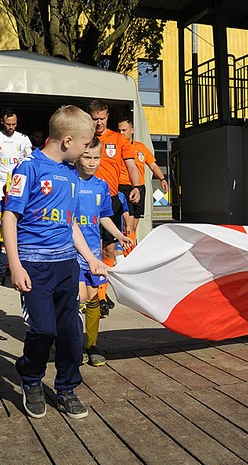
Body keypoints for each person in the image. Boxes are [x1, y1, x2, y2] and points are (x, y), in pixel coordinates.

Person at [2, 104, 105, 420]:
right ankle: (31, 378)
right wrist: (15, 265)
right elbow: (9, 217)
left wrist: (90, 259)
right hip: (34, 266)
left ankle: (67, 388)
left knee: (71, 330)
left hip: (67, 265)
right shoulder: (28, 168)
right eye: (85, 145)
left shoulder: (72, 173)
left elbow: (70, 222)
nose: (87, 151)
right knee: (43, 329)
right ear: (68, 141)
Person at [75, 136, 133, 367]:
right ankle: (72, 343)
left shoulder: (101, 186)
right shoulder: (68, 182)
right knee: (78, 298)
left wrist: (119, 235)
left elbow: (104, 216)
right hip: (73, 254)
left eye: (96, 157)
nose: (91, 162)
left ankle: (92, 345)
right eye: (87, 157)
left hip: (94, 254)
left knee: (94, 299)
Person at [88, 100, 141, 309]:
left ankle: (101, 294)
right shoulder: (84, 137)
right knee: (91, 249)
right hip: (86, 199)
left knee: (109, 250)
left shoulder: (118, 139)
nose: (99, 122)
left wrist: (136, 187)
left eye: (102, 118)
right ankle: (92, 294)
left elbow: (131, 165)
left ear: (107, 116)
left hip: (110, 201)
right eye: (95, 118)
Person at [0, 108, 33, 283]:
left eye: (14, 124)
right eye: (8, 124)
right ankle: (1, 268)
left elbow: (31, 161)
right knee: (1, 225)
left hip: (18, 184)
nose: (11, 127)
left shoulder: (23, 139)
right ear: (2, 122)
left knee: (20, 224)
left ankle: (19, 266)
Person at [116, 117, 168, 246]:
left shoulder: (141, 147)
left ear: (132, 130)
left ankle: (130, 249)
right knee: (126, 223)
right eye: (119, 130)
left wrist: (162, 178)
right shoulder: (116, 147)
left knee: (134, 224)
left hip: (139, 188)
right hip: (123, 187)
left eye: (124, 130)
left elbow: (153, 165)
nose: (121, 133)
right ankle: (126, 253)